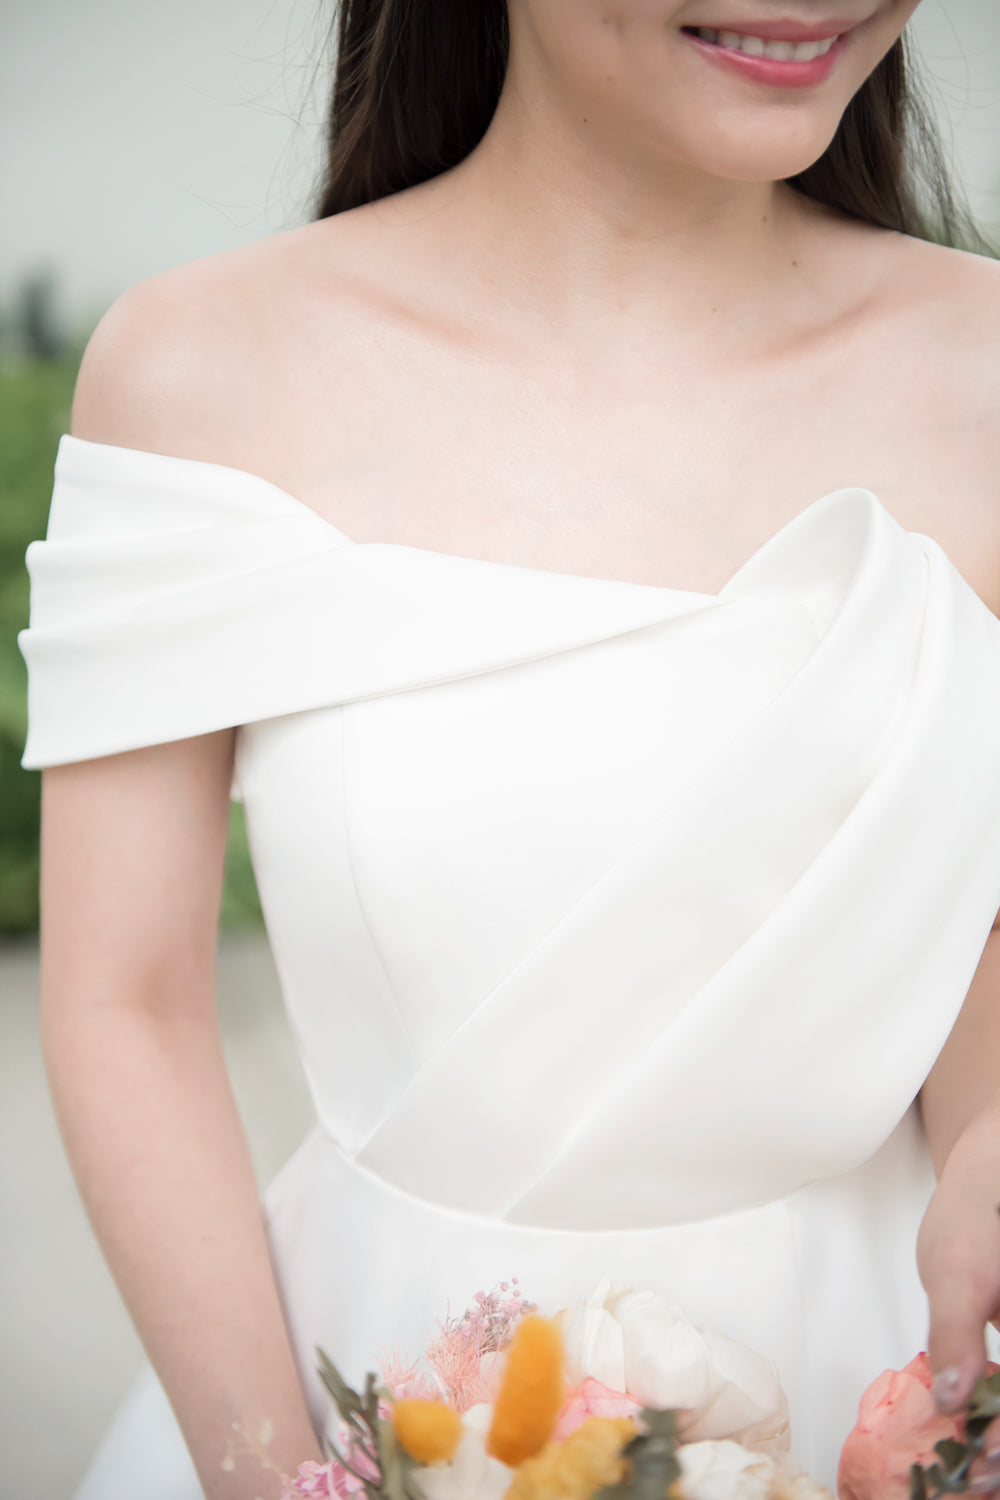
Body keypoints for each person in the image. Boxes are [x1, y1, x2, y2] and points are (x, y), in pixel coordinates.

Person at [17, 1, 1000, 1496]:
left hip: (881, 1374)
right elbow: (127, 1001)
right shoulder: (200, 375)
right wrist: (285, 1476)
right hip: (341, 1392)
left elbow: (961, 920)